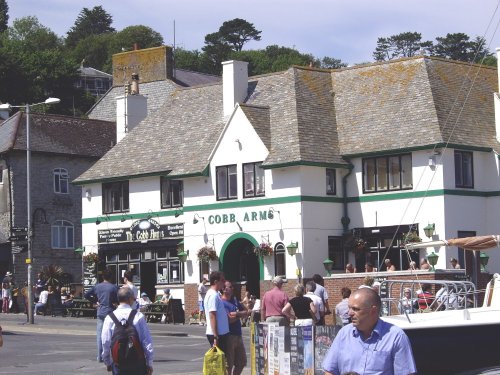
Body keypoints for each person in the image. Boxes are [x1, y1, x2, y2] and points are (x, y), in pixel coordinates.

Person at [322, 288, 417, 375]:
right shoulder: (344, 334)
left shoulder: (395, 337)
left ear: (373, 310)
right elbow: (330, 371)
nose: (349, 313)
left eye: (355, 309)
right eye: (349, 308)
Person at [101, 287, 154, 375]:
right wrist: (149, 363)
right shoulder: (138, 316)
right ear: (129, 299)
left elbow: (105, 341)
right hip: (137, 362)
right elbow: (146, 341)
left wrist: (108, 361)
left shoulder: (109, 318)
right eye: (133, 298)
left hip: (119, 363)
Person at [84, 268, 119, 363]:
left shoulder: (97, 286)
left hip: (100, 312)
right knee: (111, 335)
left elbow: (86, 294)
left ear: (102, 276)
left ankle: (100, 356)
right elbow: (118, 299)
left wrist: (95, 301)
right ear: (111, 277)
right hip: (111, 313)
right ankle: (111, 356)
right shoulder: (114, 287)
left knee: (100, 335)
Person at [221, 280, 248, 375]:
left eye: (231, 287)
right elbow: (228, 320)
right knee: (229, 364)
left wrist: (236, 314)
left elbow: (246, 312)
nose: (231, 289)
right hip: (229, 336)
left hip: (238, 335)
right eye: (228, 287)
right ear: (223, 289)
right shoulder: (222, 303)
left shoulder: (235, 300)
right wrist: (240, 315)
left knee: (242, 362)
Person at [204, 271, 230, 354]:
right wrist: (215, 337)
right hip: (218, 334)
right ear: (216, 282)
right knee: (220, 363)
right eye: (222, 280)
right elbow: (212, 316)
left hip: (221, 333)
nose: (224, 282)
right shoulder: (213, 295)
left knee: (222, 362)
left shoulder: (215, 294)